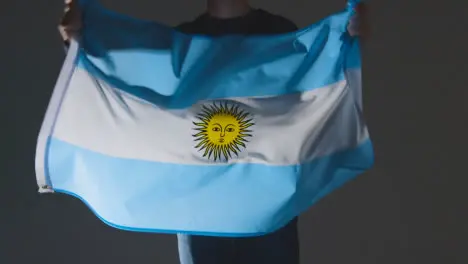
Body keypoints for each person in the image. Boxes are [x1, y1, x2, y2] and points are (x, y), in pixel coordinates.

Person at [58, 0, 367, 263]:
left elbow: (308, 93)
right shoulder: (185, 41)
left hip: (267, 205)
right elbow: (128, 73)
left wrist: (345, 38)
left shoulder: (280, 32)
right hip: (199, 208)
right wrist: (81, 32)